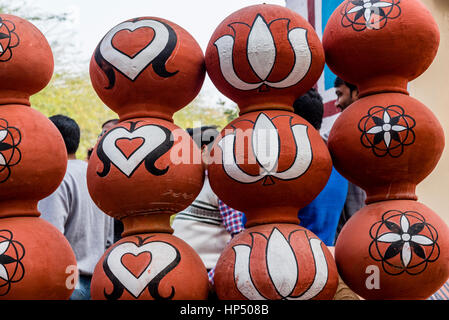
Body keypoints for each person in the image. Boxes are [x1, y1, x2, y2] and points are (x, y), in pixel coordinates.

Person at [38, 115, 114, 300]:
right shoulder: (96, 177)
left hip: (68, 284)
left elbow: (51, 239)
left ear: (50, 139)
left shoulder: (56, 179)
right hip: (98, 283)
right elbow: (109, 240)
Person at [171, 126, 244, 286]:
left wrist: (210, 279)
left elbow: (238, 238)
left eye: (187, 153)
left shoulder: (221, 186)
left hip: (206, 274)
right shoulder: (193, 184)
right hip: (184, 271)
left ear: (204, 150)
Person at [293, 88, 348, 246]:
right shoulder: (337, 164)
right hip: (326, 256)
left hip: (293, 260)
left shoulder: (292, 166)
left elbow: (250, 221)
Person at [332, 77, 367, 242]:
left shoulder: (350, 139)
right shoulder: (344, 135)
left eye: (340, 94)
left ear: (357, 93)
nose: (337, 103)